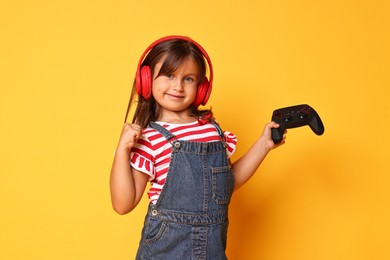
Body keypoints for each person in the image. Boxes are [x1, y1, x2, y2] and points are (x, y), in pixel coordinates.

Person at [110, 35, 287, 259]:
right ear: (147, 79)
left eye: (189, 79)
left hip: (212, 251)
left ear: (202, 88)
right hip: (164, 251)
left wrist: (264, 144)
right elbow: (122, 204)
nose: (178, 86)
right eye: (169, 75)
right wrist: (123, 150)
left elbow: (225, 186)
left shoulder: (212, 130)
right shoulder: (150, 137)